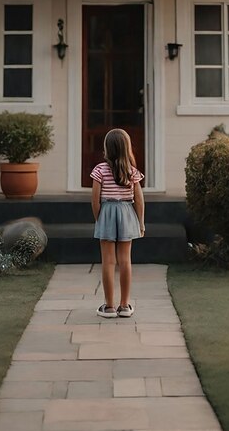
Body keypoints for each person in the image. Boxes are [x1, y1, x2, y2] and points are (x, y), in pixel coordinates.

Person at [91, 128, 145, 319]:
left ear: (107, 148)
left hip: (107, 212)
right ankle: (124, 306)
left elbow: (95, 200)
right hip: (127, 212)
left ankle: (109, 307)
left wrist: (100, 219)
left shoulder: (99, 170)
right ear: (126, 148)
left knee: (108, 261)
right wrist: (141, 223)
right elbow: (139, 200)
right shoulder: (132, 172)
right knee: (125, 261)